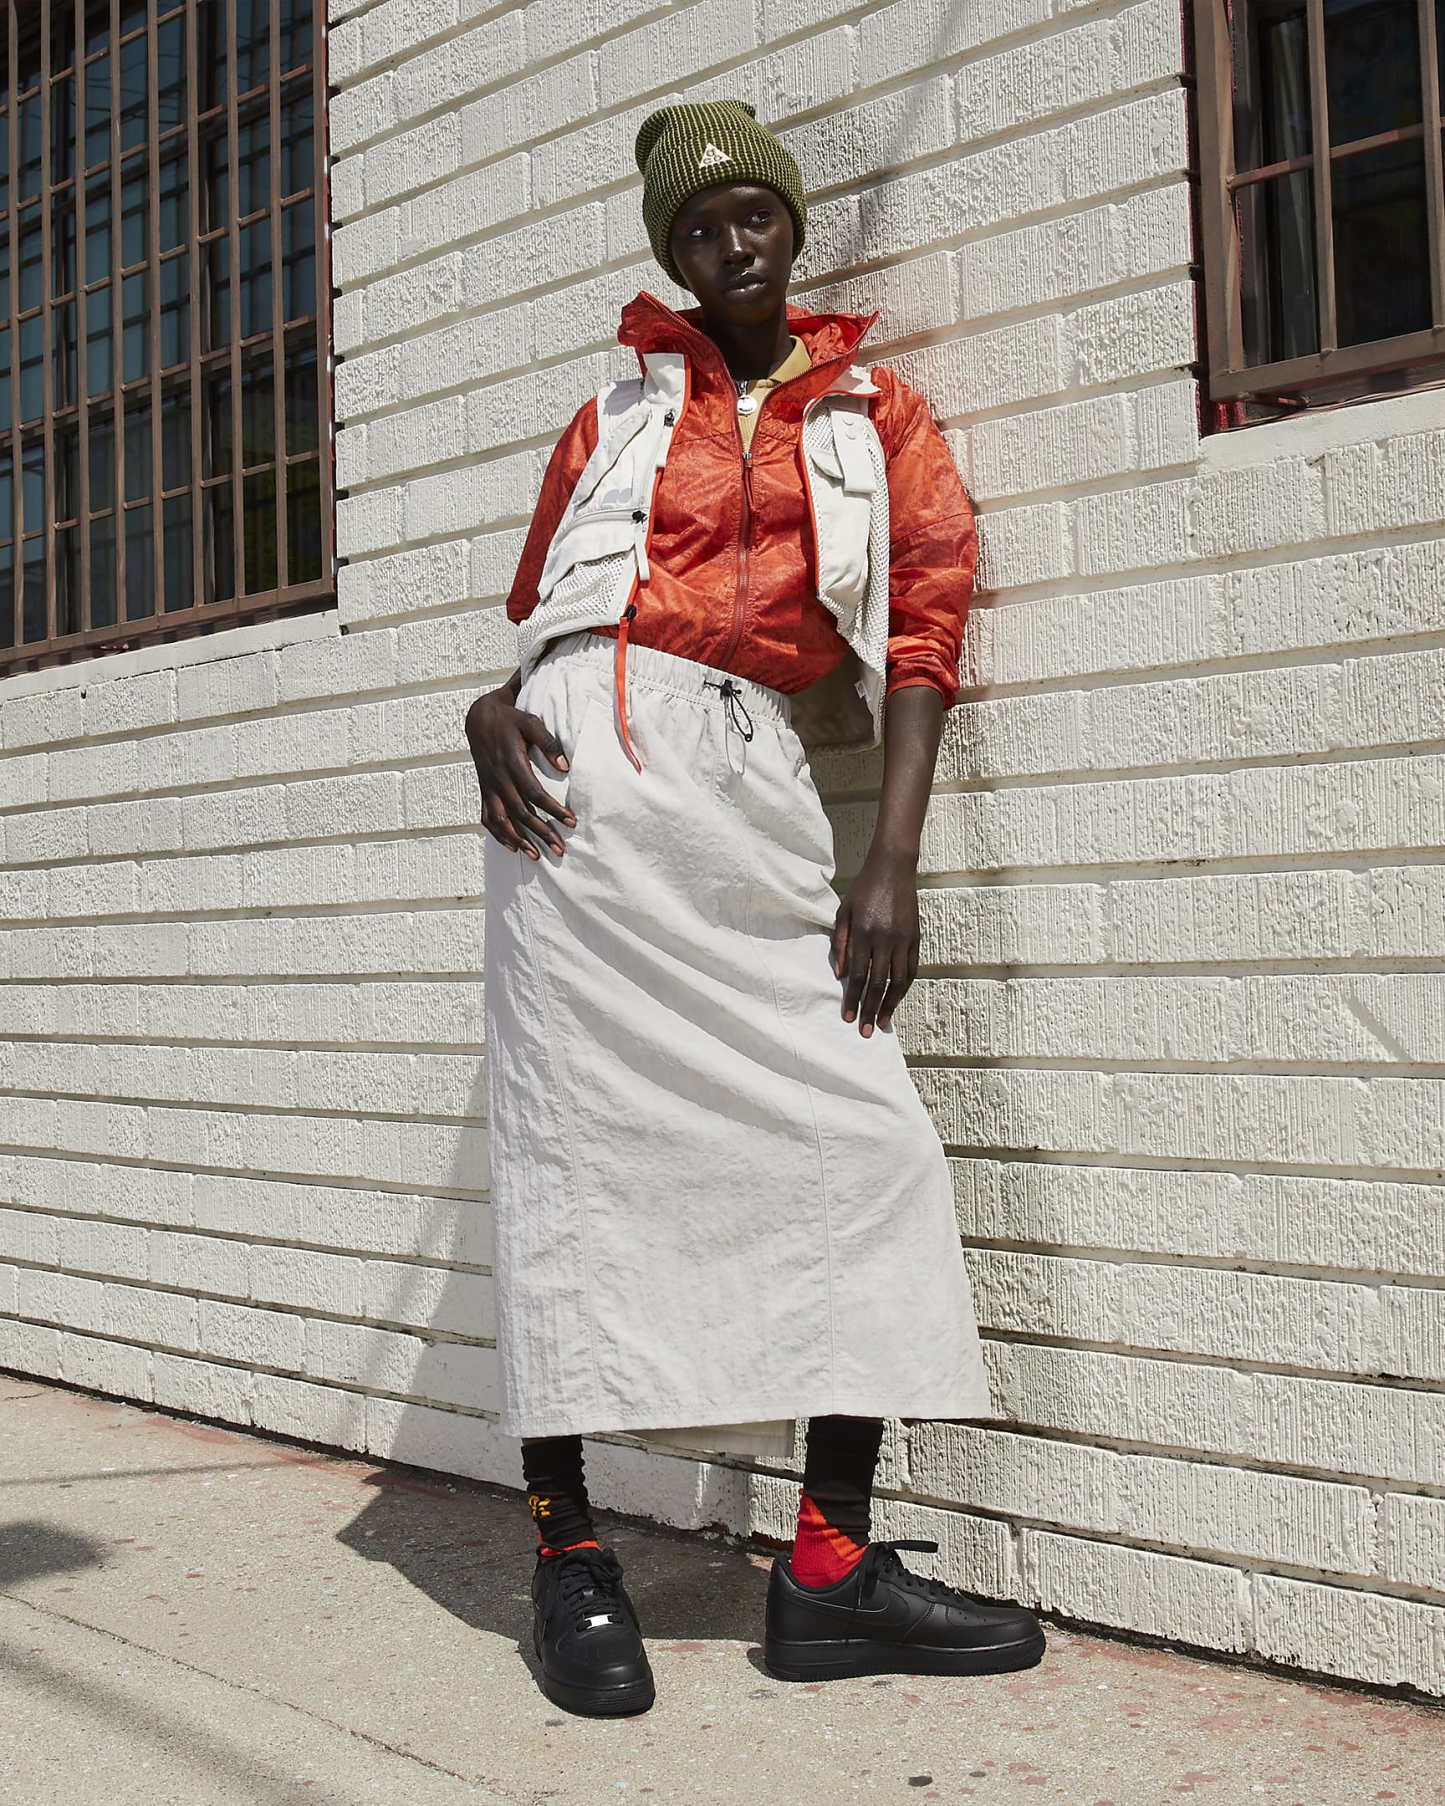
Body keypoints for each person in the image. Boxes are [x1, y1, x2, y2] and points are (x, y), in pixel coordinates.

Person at [465, 100, 1045, 1718]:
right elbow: (552, 619)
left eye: (755, 218)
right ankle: (570, 1550)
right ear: (671, 252)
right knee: (569, 1155)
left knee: (867, 1141)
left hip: (747, 780)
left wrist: (891, 860)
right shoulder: (610, 412)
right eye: (699, 228)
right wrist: (489, 707)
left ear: (792, 229)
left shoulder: (874, 413)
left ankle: (828, 1564)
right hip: (571, 799)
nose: (732, 246)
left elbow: (925, 625)